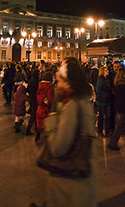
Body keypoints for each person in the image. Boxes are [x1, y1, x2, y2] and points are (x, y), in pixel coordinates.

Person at [34, 57, 97, 207]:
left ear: (68, 82)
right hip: (82, 180)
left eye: (60, 80)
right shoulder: (83, 99)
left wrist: (51, 119)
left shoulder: (71, 105)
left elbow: (58, 148)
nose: (57, 84)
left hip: (70, 185)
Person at [107, 67, 125, 150]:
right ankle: (112, 143)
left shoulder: (116, 83)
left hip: (119, 104)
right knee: (120, 125)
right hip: (124, 105)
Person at [36, 71, 55, 142]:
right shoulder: (49, 86)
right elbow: (50, 98)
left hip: (40, 107)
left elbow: (37, 95)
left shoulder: (40, 85)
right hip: (47, 108)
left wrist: (41, 101)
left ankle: (38, 136)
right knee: (47, 124)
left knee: (40, 121)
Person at [95, 66, 112, 137]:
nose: (107, 71)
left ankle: (107, 131)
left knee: (108, 116)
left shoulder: (107, 79)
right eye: (106, 70)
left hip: (107, 101)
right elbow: (98, 90)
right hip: (102, 101)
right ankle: (100, 131)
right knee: (101, 116)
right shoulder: (100, 80)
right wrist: (105, 95)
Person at [25, 69, 40, 135]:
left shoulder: (31, 81)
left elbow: (27, 89)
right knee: (34, 114)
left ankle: (36, 128)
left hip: (31, 99)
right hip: (35, 99)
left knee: (33, 113)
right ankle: (28, 129)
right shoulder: (37, 82)